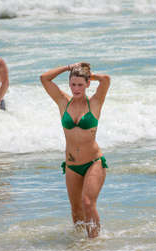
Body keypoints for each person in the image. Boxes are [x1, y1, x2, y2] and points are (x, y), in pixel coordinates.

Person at [40, 63, 110, 238]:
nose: (76, 88)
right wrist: (68, 68)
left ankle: (94, 245)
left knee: (88, 203)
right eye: (73, 84)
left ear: (87, 84)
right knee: (76, 211)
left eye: (80, 84)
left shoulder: (95, 102)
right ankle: (79, 247)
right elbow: (44, 78)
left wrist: (87, 74)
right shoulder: (63, 101)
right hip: (72, 166)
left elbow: (106, 79)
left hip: (94, 162)